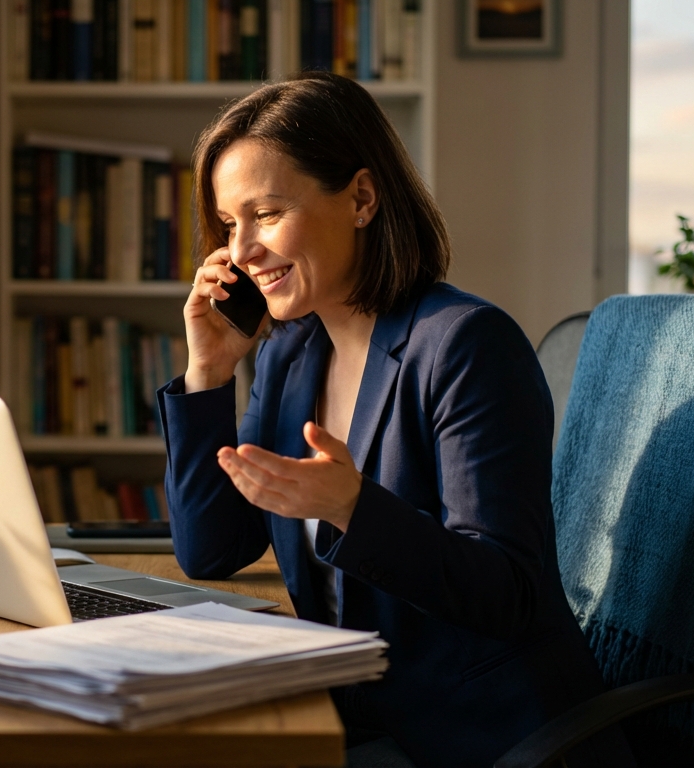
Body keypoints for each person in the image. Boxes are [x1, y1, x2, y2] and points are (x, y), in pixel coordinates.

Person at [156, 72, 630, 768]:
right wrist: (209, 375)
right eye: (231, 224)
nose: (240, 251)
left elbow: (510, 594)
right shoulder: (291, 353)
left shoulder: (466, 343)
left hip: (482, 739)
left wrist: (354, 508)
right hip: (357, 716)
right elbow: (211, 550)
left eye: (266, 214)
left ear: (362, 198)